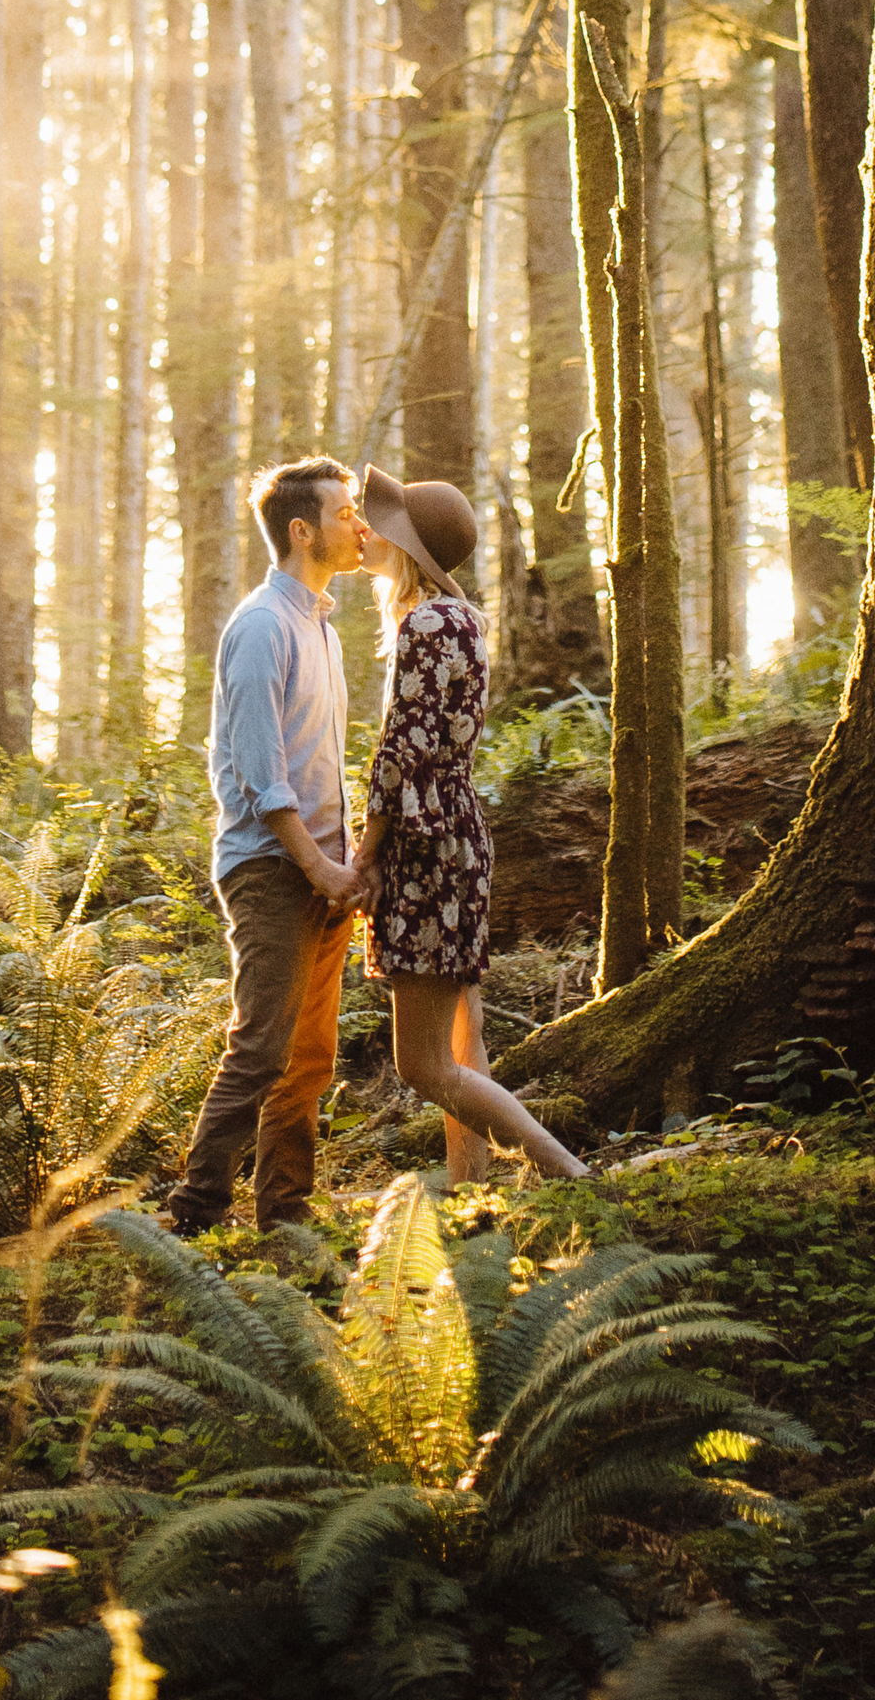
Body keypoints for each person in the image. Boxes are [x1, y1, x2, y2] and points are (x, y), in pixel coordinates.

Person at [352, 462, 586, 1186]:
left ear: (409, 545)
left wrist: (366, 854)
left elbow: (403, 751)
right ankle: (469, 1184)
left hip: (427, 844)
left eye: (383, 528)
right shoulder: (461, 618)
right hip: (456, 833)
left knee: (420, 1064)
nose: (368, 534)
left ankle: (565, 1169)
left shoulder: (426, 621)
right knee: (462, 1030)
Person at [160, 458, 371, 1235]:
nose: (360, 525)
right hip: (272, 869)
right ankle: (191, 1213)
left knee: (309, 1060)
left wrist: (343, 864)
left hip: (322, 872)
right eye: (346, 512)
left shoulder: (319, 625)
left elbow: (319, 764)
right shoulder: (260, 625)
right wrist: (316, 864)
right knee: (259, 1050)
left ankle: (284, 1215)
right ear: (302, 530)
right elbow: (261, 775)